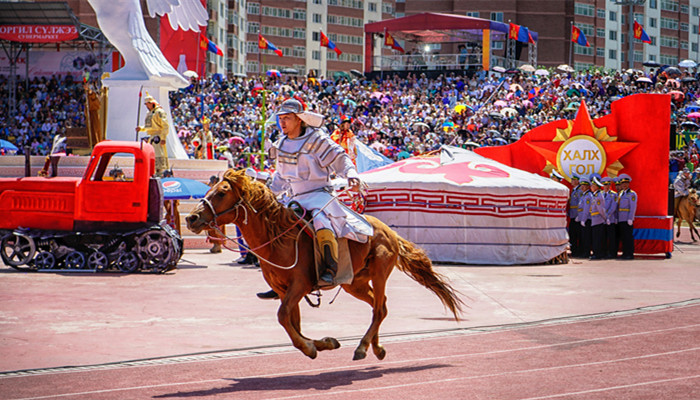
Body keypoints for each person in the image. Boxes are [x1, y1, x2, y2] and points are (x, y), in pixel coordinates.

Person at [268, 98, 372, 285]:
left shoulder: (317, 139)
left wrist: (351, 174)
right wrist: (267, 193)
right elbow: (280, 178)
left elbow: (340, 157)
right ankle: (278, 279)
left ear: (299, 119)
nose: (282, 122)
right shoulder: (280, 145)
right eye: (280, 118)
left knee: (321, 222)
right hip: (292, 198)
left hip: (319, 195)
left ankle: (329, 269)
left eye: (287, 118)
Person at [135, 93, 169, 177]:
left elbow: (165, 125)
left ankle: (160, 172)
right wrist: (141, 128)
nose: (147, 106)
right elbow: (149, 126)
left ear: (152, 103)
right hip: (151, 136)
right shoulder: (149, 113)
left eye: (148, 104)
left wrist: (163, 137)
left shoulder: (160, 112)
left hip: (158, 136)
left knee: (158, 155)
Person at [616, 174, 638, 259]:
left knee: (628, 237)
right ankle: (625, 253)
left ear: (628, 184)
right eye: (622, 183)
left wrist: (630, 218)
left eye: (626, 183)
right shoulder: (621, 193)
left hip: (627, 218)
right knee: (623, 237)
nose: (624, 185)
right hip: (621, 218)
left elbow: (633, 207)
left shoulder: (632, 194)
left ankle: (629, 253)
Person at [588, 176, 607, 260]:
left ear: (596, 187)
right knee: (595, 238)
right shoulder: (595, 195)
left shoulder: (599, 195)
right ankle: (596, 253)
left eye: (592, 186)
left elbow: (601, 209)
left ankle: (597, 254)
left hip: (598, 219)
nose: (591, 187)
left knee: (597, 239)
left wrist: (604, 218)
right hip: (595, 219)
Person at [206, 175, 226, 253]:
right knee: (212, 230)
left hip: (217, 213)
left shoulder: (218, 190)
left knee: (216, 229)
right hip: (213, 213)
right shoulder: (212, 189)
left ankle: (217, 245)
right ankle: (216, 244)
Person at [574, 176, 592, 258]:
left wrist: (583, 220)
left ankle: (586, 253)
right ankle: (583, 252)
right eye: (581, 185)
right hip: (582, 219)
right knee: (583, 237)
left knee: (586, 237)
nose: (582, 187)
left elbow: (586, 209)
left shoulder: (588, 196)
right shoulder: (583, 195)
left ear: (588, 186)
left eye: (584, 185)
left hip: (587, 219)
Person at [601, 176, 618, 258]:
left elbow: (613, 207)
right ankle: (604, 252)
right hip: (602, 219)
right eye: (605, 185)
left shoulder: (614, 195)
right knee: (603, 237)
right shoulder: (600, 194)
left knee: (611, 238)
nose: (606, 186)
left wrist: (607, 216)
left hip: (610, 219)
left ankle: (612, 253)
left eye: (608, 185)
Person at [568, 174, 582, 257]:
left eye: (573, 180)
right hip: (573, 215)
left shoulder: (579, 191)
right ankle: (574, 251)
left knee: (579, 235)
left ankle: (579, 251)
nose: (572, 181)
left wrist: (579, 215)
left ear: (577, 181)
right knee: (572, 234)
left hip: (577, 216)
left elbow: (580, 204)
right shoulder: (573, 190)